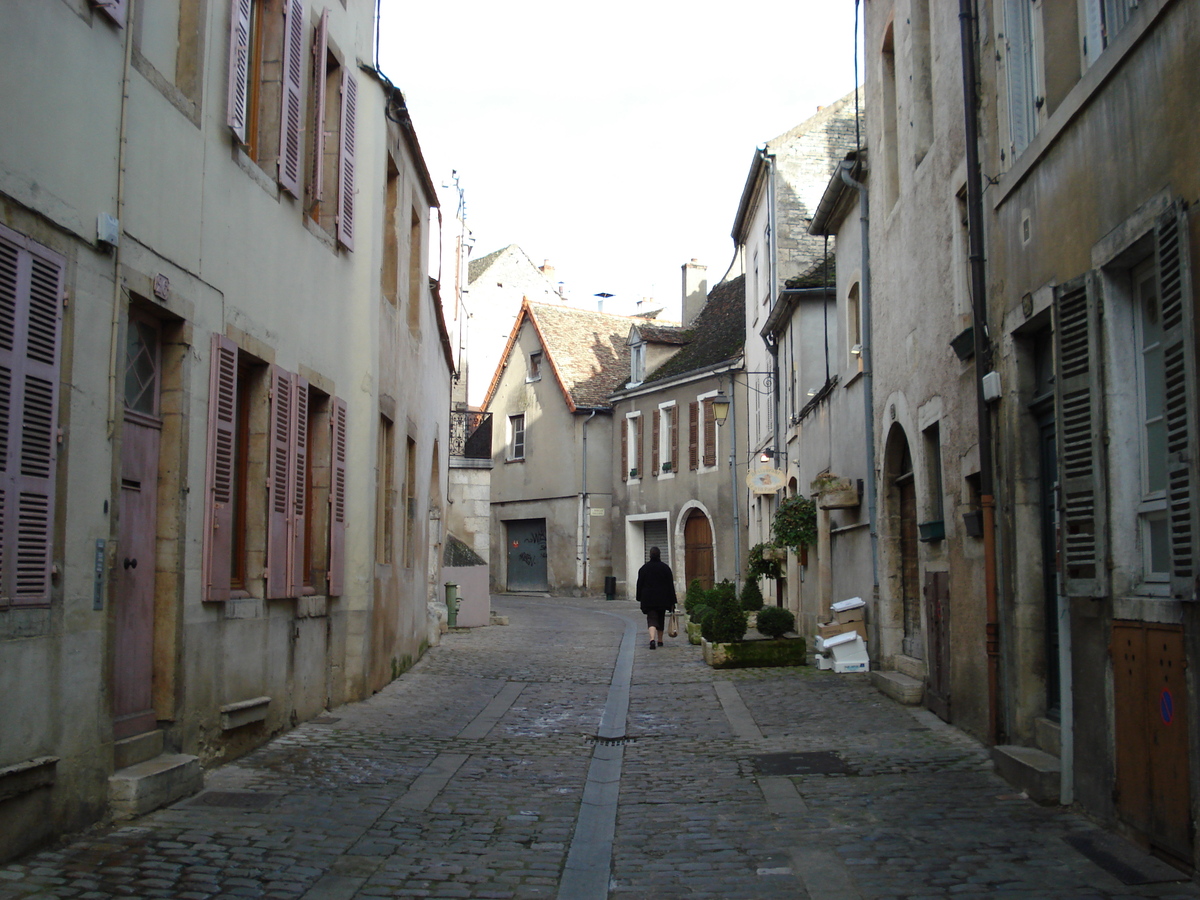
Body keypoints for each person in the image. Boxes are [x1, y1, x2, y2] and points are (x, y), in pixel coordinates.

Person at [636, 546, 676, 649]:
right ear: (659, 555)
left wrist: (639, 597)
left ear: (650, 555)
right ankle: (660, 640)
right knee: (661, 618)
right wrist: (673, 601)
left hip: (648, 599)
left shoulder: (644, 569)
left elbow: (639, 584)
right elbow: (670, 586)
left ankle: (652, 639)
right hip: (662, 598)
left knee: (651, 619)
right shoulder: (665, 568)